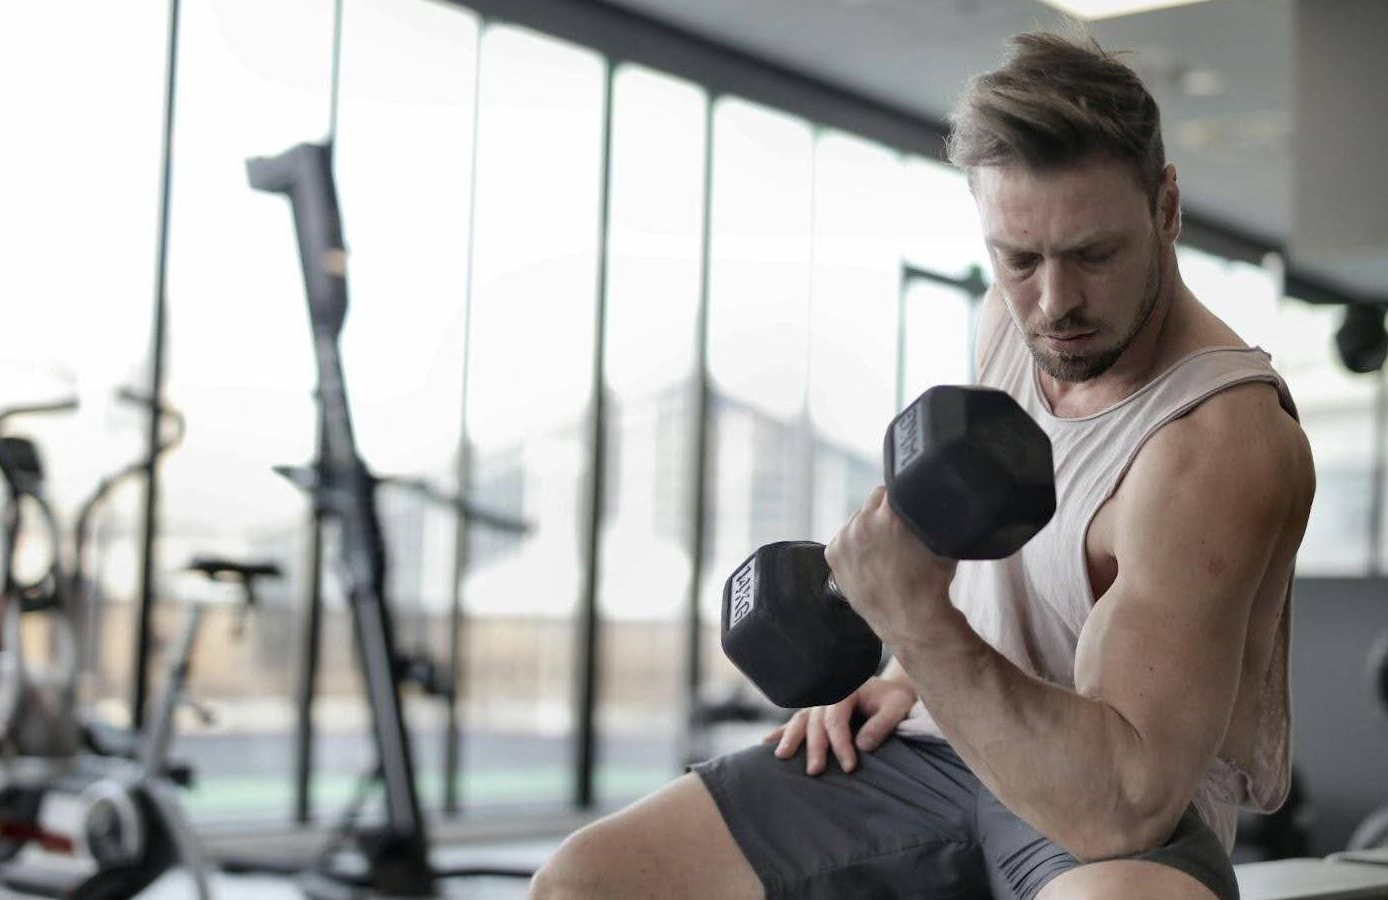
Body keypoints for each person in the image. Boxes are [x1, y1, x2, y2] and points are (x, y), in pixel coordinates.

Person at [529, 29, 1314, 900]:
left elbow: (1123, 803)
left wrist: (912, 625)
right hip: (943, 747)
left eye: (1094, 255)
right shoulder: (1013, 324)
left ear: (1166, 207)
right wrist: (903, 675)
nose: (1055, 304)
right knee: (584, 882)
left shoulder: (1217, 445)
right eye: (1019, 259)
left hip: (1106, 812)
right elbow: (999, 565)